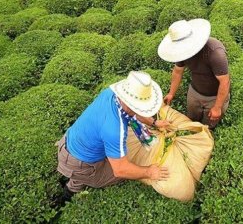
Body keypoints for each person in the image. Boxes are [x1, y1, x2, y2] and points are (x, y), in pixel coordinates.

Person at [55, 71, 170, 205]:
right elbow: (121, 170)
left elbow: (133, 112)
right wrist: (149, 172)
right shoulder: (115, 129)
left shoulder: (111, 94)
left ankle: (72, 183)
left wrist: (154, 123)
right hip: (79, 162)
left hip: (72, 141)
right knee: (130, 168)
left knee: (120, 156)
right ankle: (70, 191)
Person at [158, 18, 230, 129]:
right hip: (195, 92)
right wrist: (171, 93)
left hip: (214, 96)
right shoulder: (182, 52)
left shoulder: (215, 53)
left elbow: (224, 82)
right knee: (190, 120)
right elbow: (177, 72)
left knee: (208, 126)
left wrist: (217, 107)